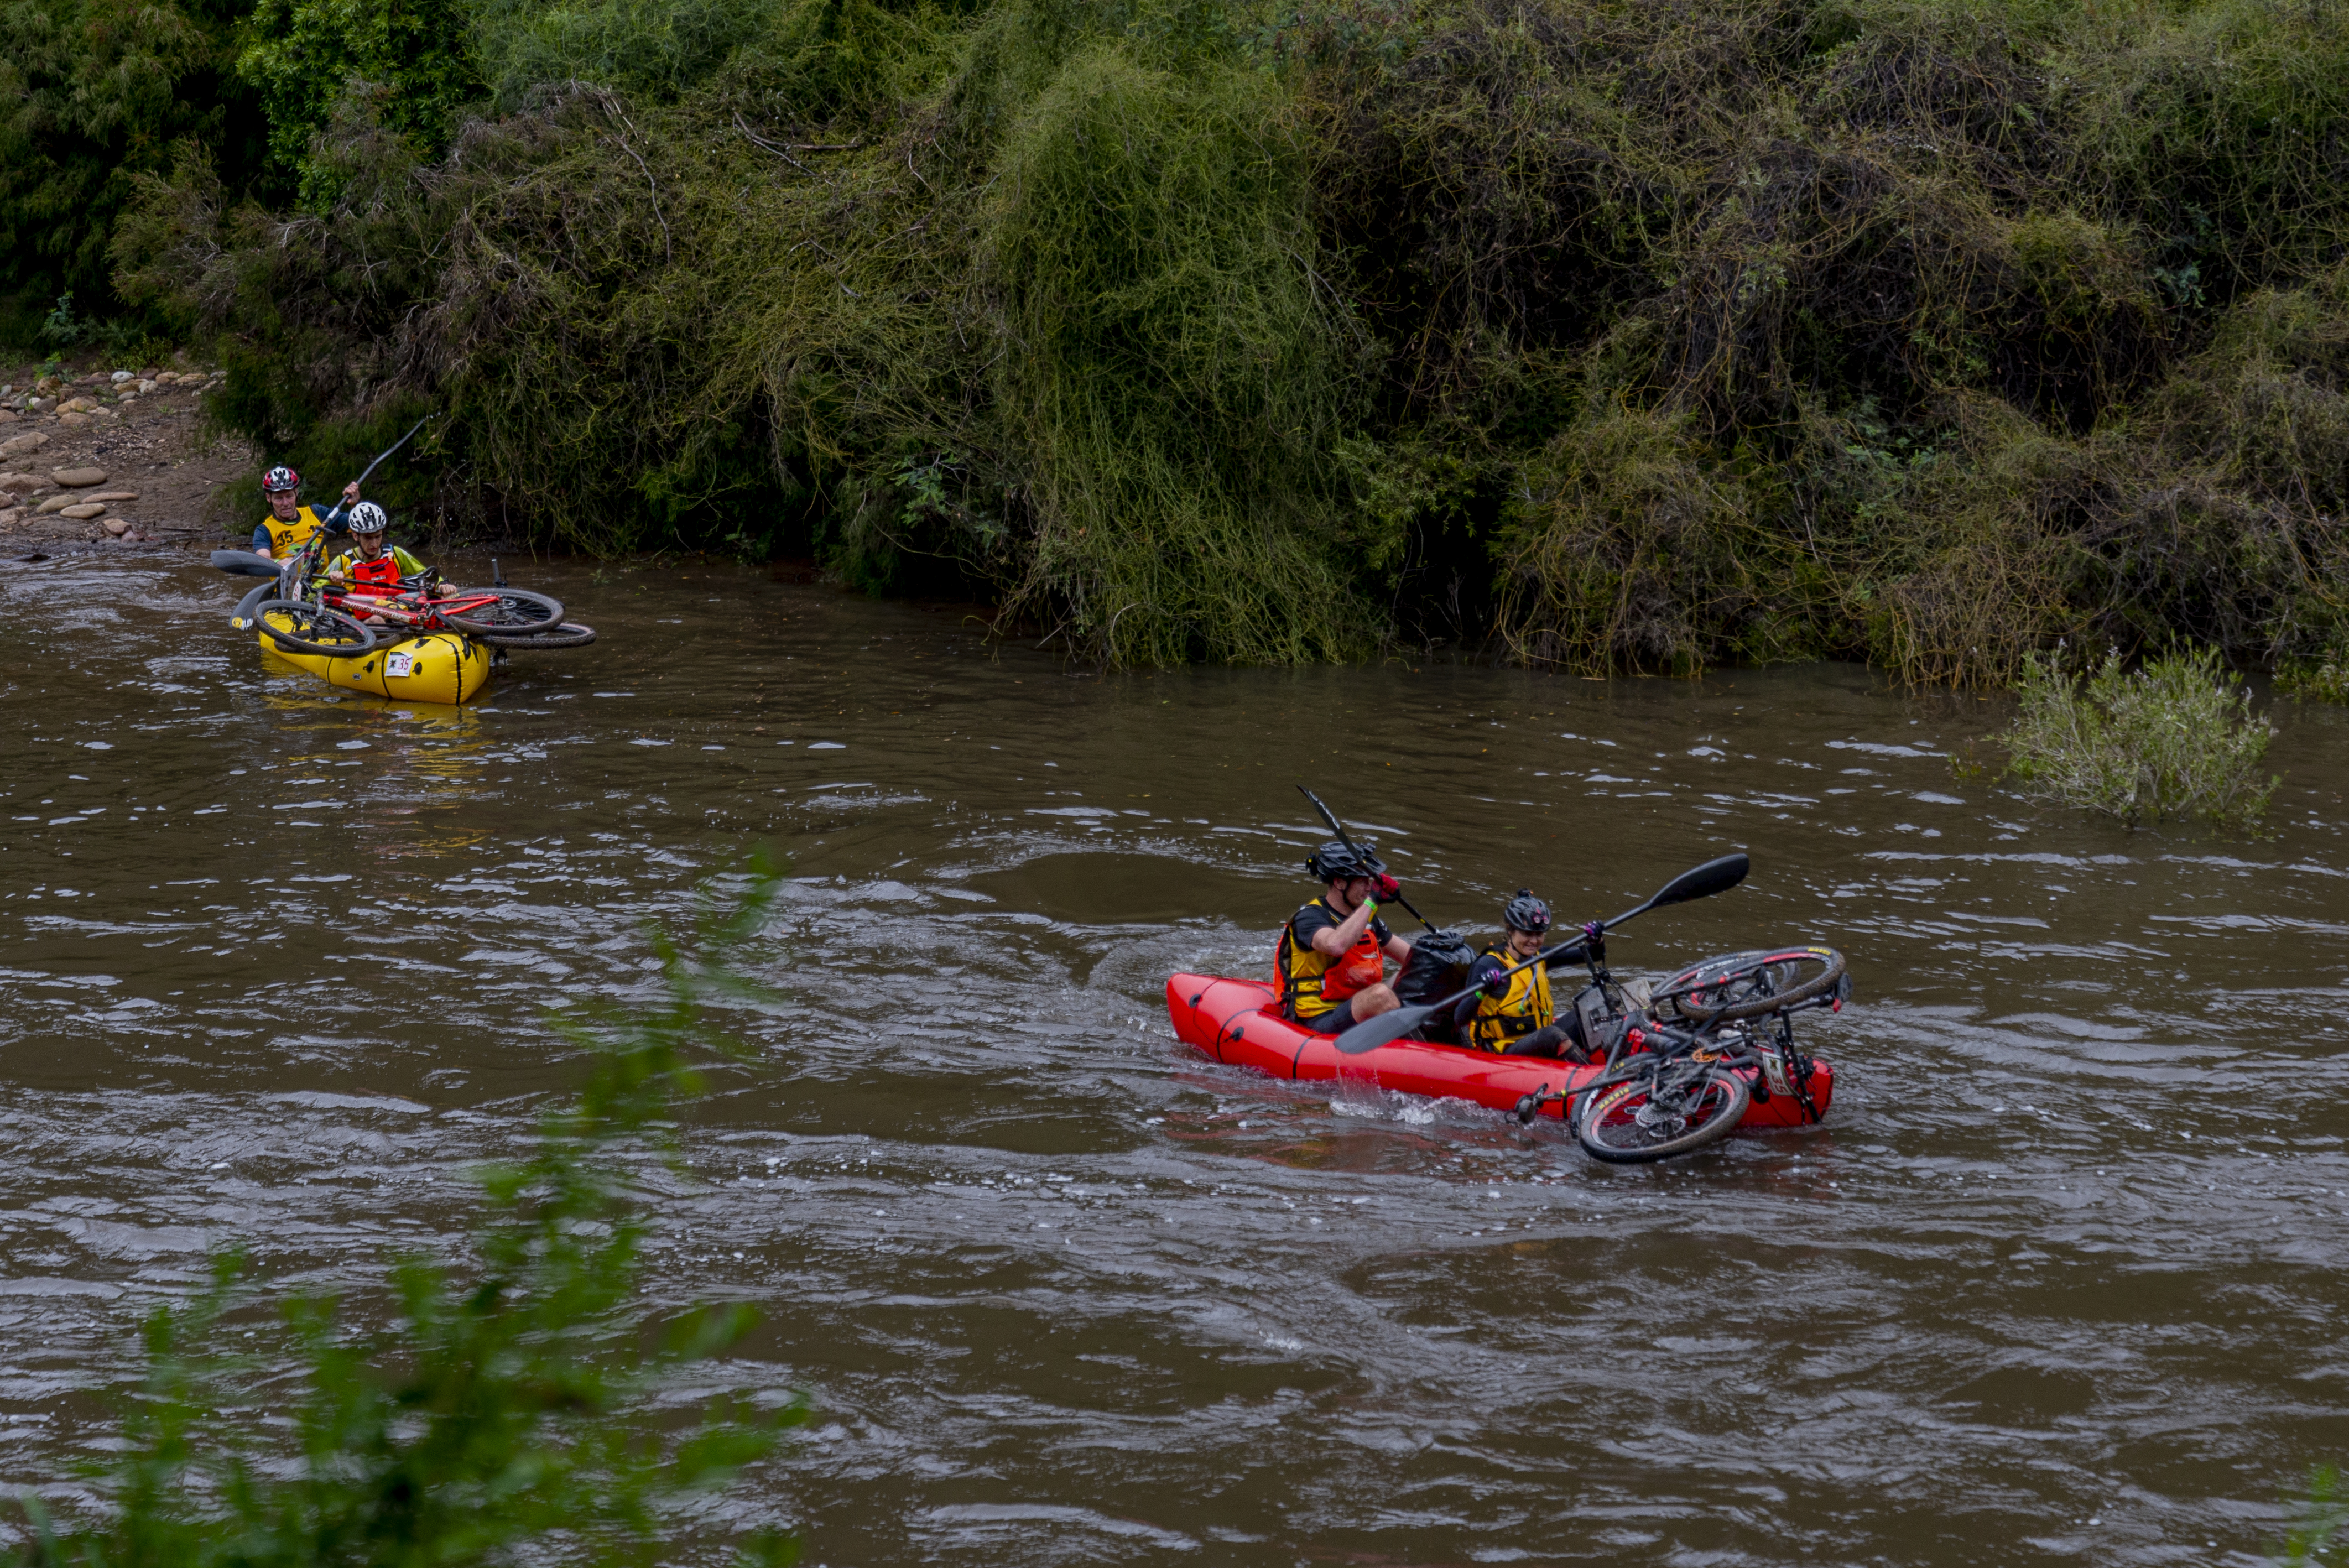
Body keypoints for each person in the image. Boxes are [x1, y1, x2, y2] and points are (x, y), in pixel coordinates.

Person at [1276, 840, 1415, 1033]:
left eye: (1370, 882)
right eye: (1362, 882)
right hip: (1320, 1018)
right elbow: (1336, 945)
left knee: (1421, 975)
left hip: (1356, 1007)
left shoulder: (1368, 918)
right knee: (1380, 994)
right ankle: (1414, 1041)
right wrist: (1373, 901)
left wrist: (1439, 955)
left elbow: (1412, 959)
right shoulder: (1310, 917)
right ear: (1339, 882)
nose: (1369, 888)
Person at [1454, 890, 1584, 1059]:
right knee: (1553, 1035)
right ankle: (1594, 1076)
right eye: (1527, 934)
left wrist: (1597, 940)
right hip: (1505, 1051)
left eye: (1539, 934)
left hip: (1538, 1039)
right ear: (1510, 931)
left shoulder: (1540, 957)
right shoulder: (1489, 964)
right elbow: (1459, 1019)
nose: (1534, 941)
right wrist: (1482, 991)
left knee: (1598, 1008)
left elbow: (1593, 954)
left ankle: (1616, 1066)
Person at [252, 466, 362, 559]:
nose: (285, 503)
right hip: (291, 583)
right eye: (279, 498)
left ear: (296, 493)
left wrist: (354, 505)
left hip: (323, 582)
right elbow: (262, 560)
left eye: (289, 496)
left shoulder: (317, 513)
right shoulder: (264, 530)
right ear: (268, 498)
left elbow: (357, 523)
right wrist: (277, 563)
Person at [324, 503, 431, 598]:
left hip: (399, 612)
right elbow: (314, 592)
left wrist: (443, 584)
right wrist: (333, 582)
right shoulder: (343, 562)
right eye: (368, 538)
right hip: (368, 618)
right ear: (355, 536)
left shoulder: (396, 554)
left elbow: (425, 574)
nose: (374, 544)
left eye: (378, 536)